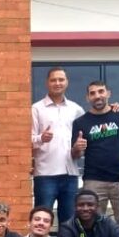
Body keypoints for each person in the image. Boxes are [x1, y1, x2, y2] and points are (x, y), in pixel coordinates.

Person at [71, 81, 119, 236]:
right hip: (94, 181)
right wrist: (77, 148)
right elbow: (75, 155)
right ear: (87, 97)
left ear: (108, 93)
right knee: (91, 222)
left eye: (101, 91)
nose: (97, 96)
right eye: (93, 93)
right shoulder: (80, 122)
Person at [31, 66, 85, 226]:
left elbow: (86, 134)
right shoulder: (36, 108)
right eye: (53, 80)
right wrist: (41, 138)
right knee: (41, 219)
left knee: (69, 222)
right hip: (45, 174)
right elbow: (26, 139)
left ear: (66, 82)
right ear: (47, 83)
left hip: (71, 174)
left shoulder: (76, 109)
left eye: (61, 79)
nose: (57, 83)